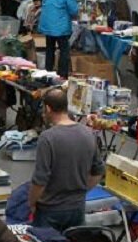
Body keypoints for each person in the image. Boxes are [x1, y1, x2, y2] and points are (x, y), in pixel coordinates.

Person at [29, 88, 104, 231]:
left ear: (48, 108)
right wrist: (81, 191)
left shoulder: (47, 138)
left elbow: (40, 180)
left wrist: (32, 203)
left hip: (50, 210)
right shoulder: (87, 134)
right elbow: (98, 171)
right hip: (77, 208)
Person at [38, 0, 78, 77]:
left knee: (49, 49)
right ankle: (62, 75)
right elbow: (73, 10)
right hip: (60, 26)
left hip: (47, 24)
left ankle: (48, 73)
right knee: (64, 50)